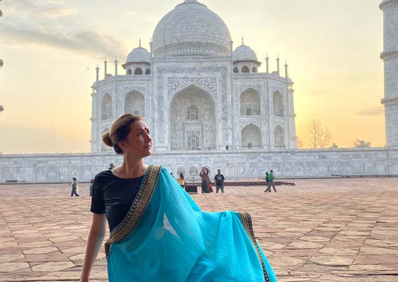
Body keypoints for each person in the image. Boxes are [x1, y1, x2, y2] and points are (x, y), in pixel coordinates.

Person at [80, 114, 277, 282]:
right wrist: (84, 277)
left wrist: (226, 225)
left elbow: (188, 219)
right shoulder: (103, 180)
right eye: (140, 133)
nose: (149, 138)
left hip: (160, 265)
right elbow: (97, 231)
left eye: (148, 131)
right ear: (123, 143)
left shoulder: (160, 176)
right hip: (125, 265)